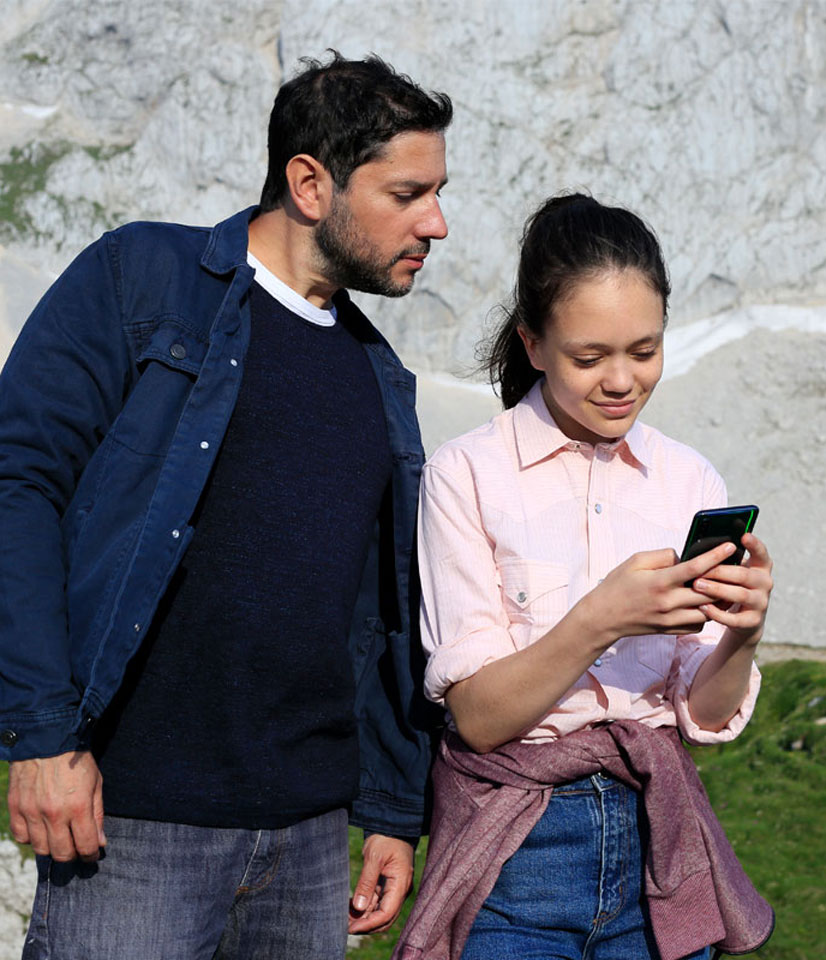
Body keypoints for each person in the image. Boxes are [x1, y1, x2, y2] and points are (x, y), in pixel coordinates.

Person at [0, 52, 451, 959]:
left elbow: (390, 615)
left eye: (436, 193)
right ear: (310, 183)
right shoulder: (142, 278)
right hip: (130, 826)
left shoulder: (380, 379)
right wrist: (40, 737)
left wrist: (395, 813)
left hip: (312, 841)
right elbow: (19, 485)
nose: (435, 223)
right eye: (407, 193)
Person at [395, 194, 774, 960]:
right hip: (514, 852)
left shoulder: (688, 479)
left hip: (658, 841)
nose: (622, 381)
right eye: (589, 356)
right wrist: (601, 617)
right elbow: (477, 717)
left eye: (645, 350)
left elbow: (701, 718)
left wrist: (743, 633)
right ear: (533, 344)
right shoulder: (467, 474)